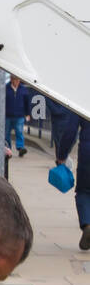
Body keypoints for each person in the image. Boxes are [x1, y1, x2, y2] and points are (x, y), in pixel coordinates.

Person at [49, 99, 90, 250]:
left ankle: (87, 224)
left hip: (87, 153)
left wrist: (62, 155)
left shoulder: (83, 96)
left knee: (84, 192)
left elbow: (70, 131)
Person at [5, 75, 32, 157]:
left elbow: (27, 103)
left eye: (18, 80)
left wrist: (28, 114)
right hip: (7, 115)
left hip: (19, 115)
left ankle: (20, 148)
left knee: (19, 132)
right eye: (15, 80)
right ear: (11, 79)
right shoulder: (5, 88)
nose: (17, 82)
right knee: (6, 133)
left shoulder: (23, 89)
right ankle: (8, 149)